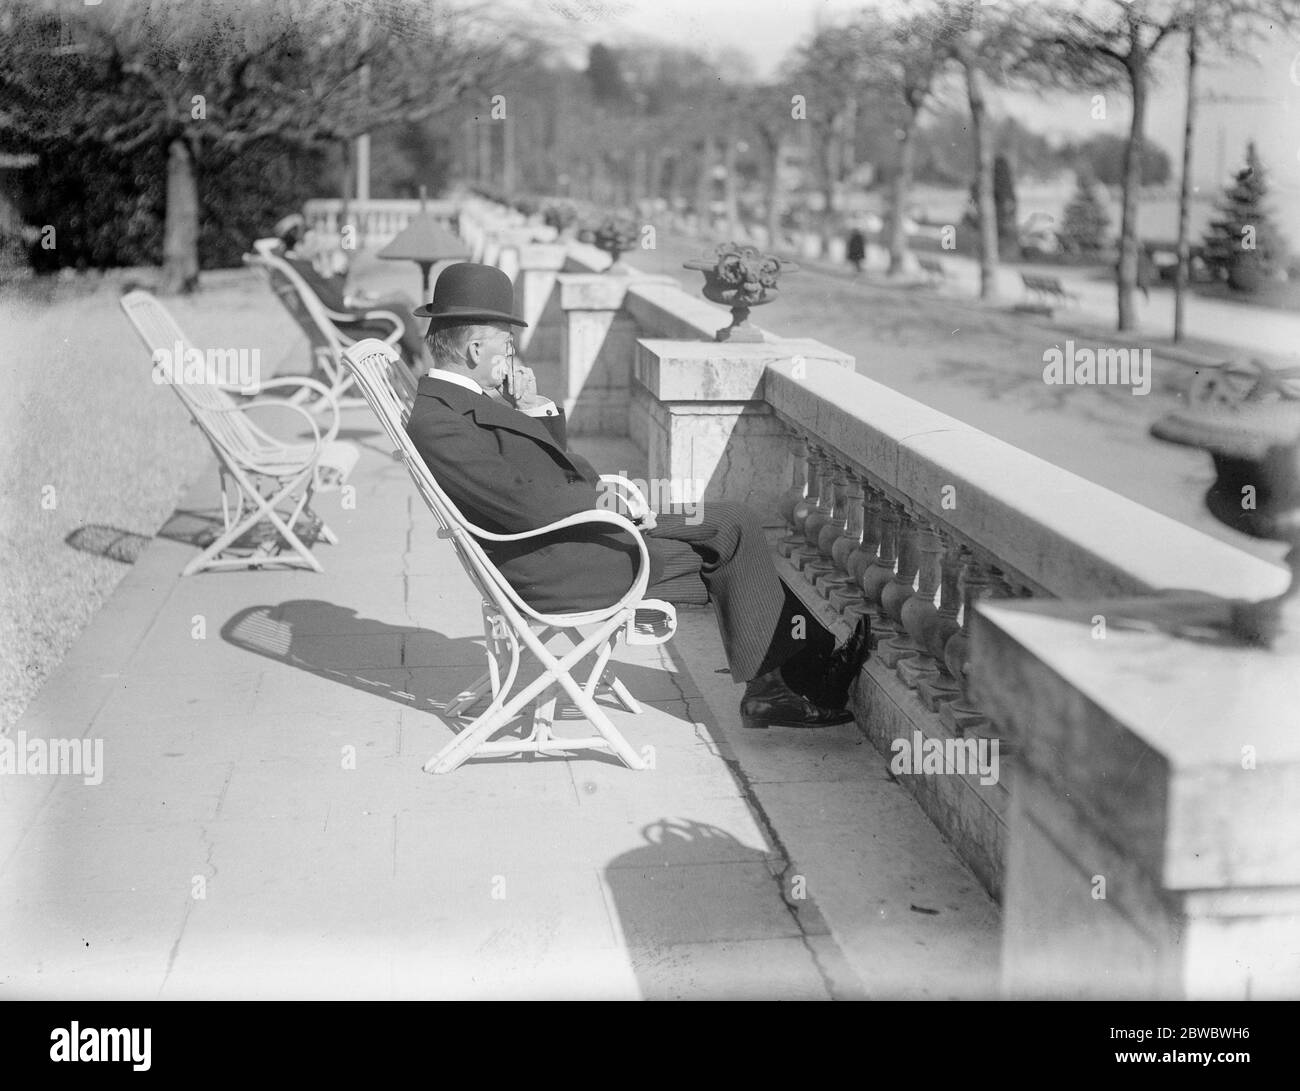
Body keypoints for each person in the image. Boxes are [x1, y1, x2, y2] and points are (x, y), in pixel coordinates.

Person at [404, 263, 870, 728]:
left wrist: (532, 408)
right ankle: (799, 678)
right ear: (474, 349)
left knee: (732, 522)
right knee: (729, 546)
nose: (510, 355)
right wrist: (617, 508)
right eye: (507, 344)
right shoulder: (439, 421)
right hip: (558, 560)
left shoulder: (462, 401)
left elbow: (543, 467)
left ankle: (792, 679)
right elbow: (523, 503)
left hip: (582, 523)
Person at [272, 213, 431, 369]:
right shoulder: (303, 268)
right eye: (312, 242)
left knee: (399, 305)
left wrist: (335, 273)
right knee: (399, 310)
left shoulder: (295, 265)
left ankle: (418, 366)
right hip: (344, 327)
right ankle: (426, 363)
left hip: (334, 323)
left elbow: (333, 297)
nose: (316, 246)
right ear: (299, 246)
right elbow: (338, 304)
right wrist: (330, 275)